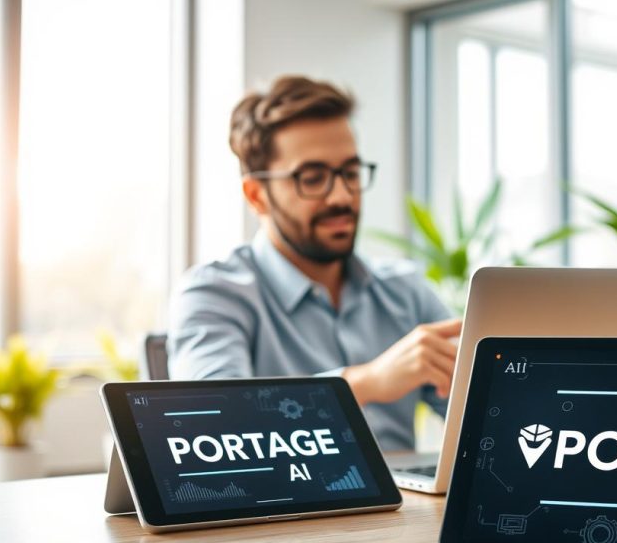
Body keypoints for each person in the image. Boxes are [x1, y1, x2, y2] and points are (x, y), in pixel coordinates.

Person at [167, 75, 461, 451]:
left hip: (403, 491)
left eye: (350, 173)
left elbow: (481, 414)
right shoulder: (214, 294)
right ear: (256, 195)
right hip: (284, 492)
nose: (341, 197)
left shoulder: (406, 291)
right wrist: (366, 383)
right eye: (312, 178)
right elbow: (214, 428)